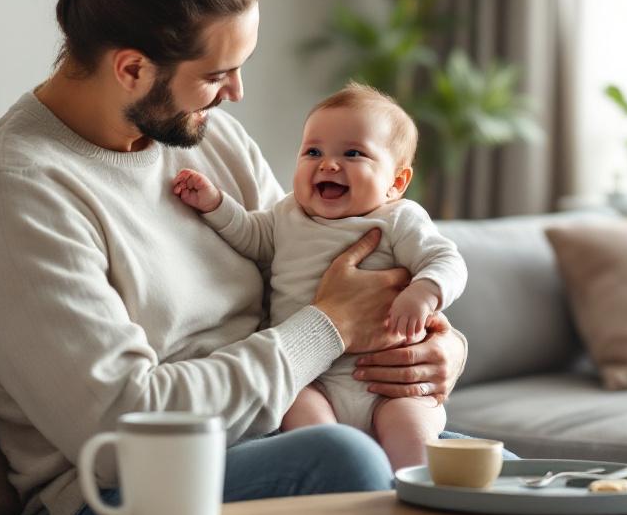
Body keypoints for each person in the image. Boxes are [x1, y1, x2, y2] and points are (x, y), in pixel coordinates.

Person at [0, 0, 471, 515]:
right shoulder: (18, 193)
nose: (236, 94)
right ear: (133, 69)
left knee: (517, 488)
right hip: (132, 490)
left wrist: (437, 352)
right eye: (219, 74)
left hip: (295, 425)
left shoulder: (203, 138)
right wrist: (328, 328)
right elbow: (123, 426)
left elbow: (308, 257)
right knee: (346, 462)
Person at [173, 83, 467, 470]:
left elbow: (446, 260)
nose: (328, 164)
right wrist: (215, 204)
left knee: (417, 440)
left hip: (388, 384)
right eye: (313, 152)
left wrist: (424, 294)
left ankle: (412, 492)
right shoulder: (288, 213)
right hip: (310, 376)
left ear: (396, 182)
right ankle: (339, 470)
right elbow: (251, 235)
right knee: (311, 428)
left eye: (353, 153)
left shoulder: (399, 219)